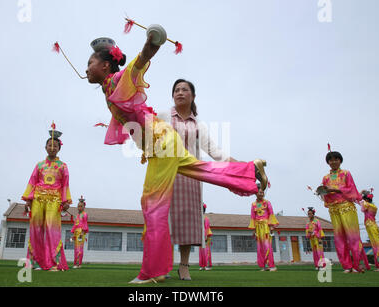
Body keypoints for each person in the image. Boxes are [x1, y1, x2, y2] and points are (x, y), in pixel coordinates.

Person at [85, 34, 268, 284]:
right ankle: (249, 170)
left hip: (161, 144)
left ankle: (153, 271)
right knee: (206, 171)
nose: (86, 69)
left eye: (90, 63)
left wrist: (153, 42)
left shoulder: (119, 78)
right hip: (165, 142)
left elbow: (140, 62)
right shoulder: (110, 87)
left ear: (105, 65)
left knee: (153, 206)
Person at [159, 79, 236, 280]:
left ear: (193, 96)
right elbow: (150, 136)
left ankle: (183, 265)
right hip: (166, 174)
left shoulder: (198, 125)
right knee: (163, 221)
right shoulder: (164, 116)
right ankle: (163, 265)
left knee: (187, 221)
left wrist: (237, 164)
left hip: (191, 177)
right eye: (176, 89)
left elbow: (213, 150)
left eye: (185, 89)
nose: (180, 92)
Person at [22, 128, 71, 271]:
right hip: (38, 199)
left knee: (52, 229)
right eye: (49, 145)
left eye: (55, 146)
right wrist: (28, 200)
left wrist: (65, 201)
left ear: (59, 148)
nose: (52, 148)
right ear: (45, 147)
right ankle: (35, 262)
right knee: (36, 229)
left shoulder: (63, 166)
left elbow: (65, 185)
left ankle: (53, 263)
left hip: (54, 201)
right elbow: (32, 182)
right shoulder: (39, 165)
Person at [320, 150, 366, 273]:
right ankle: (347, 266)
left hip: (346, 206)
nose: (333, 162)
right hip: (334, 209)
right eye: (331, 160)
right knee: (339, 238)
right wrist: (323, 192)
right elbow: (325, 195)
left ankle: (357, 265)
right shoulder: (325, 178)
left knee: (353, 236)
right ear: (328, 162)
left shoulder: (346, 174)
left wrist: (335, 189)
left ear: (340, 160)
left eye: (336, 159)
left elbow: (351, 189)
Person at [248, 185, 278, 271]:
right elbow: (253, 217)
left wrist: (271, 226)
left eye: (262, 192)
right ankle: (264, 266)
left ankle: (271, 266)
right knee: (260, 247)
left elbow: (271, 214)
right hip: (258, 227)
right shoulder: (253, 204)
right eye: (259, 192)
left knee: (267, 246)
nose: (261, 194)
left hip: (266, 227)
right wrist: (254, 230)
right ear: (255, 193)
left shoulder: (267, 202)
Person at [71, 196, 89, 269]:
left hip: (81, 232)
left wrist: (82, 233)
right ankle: (75, 263)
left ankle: (79, 264)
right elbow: (75, 224)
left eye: (81, 206)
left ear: (84, 206)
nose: (79, 208)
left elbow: (85, 224)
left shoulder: (84, 214)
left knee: (79, 248)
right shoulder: (78, 215)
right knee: (76, 248)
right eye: (78, 206)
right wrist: (73, 234)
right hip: (76, 233)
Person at [199, 204, 213, 272]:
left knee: (206, 251)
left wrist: (206, 236)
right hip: (201, 236)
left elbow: (207, 228)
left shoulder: (206, 218)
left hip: (206, 236)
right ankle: (202, 266)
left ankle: (207, 265)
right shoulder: (199, 218)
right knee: (201, 252)